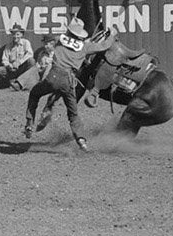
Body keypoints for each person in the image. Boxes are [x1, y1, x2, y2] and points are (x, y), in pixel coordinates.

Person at [24, 17, 114, 148]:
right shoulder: (85, 47)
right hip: (68, 80)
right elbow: (104, 46)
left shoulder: (59, 39)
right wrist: (112, 35)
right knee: (73, 113)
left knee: (34, 93)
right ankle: (81, 140)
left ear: (69, 31)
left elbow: (49, 39)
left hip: (53, 76)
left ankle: (29, 124)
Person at [0, 26, 35, 90]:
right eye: (13, 34)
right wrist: (8, 65)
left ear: (21, 35)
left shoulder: (26, 43)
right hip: (11, 70)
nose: (15, 36)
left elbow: (30, 54)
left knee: (31, 61)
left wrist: (19, 62)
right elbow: (4, 59)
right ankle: (10, 82)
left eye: (17, 34)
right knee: (0, 70)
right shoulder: (8, 46)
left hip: (22, 69)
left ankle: (22, 83)